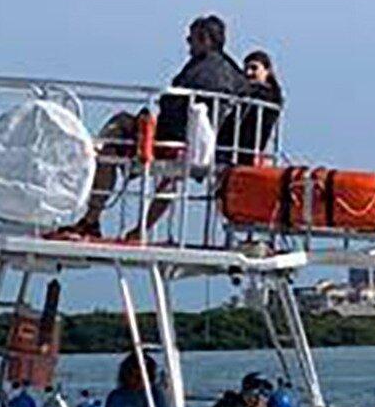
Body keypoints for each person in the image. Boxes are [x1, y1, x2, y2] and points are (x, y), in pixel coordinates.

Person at [59, 14, 256, 240]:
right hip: (197, 140)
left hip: (177, 138)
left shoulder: (205, 71)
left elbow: (178, 105)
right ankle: (133, 223)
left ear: (204, 39)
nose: (188, 44)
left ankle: (92, 209)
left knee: (114, 145)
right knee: (130, 134)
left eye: (191, 40)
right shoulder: (229, 71)